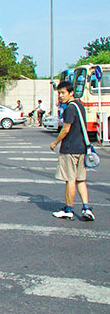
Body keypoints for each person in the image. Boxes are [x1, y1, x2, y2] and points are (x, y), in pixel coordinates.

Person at [50, 81, 94, 221]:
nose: (61, 96)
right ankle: (86, 208)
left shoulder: (69, 108)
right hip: (82, 148)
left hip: (70, 149)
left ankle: (69, 210)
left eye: (63, 93)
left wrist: (55, 142)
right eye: (59, 93)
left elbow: (66, 129)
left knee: (70, 180)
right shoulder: (80, 106)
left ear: (71, 93)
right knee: (81, 180)